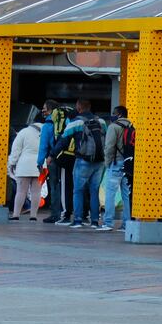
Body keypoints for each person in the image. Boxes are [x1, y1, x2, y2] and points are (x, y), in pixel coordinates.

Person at [52, 98, 106, 229]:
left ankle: (77, 220)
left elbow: (63, 141)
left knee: (78, 190)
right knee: (94, 190)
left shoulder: (76, 122)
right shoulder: (101, 121)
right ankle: (94, 221)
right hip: (99, 161)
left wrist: (52, 155)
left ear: (78, 107)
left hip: (83, 160)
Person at [101, 106, 134, 232]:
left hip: (115, 163)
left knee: (110, 193)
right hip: (128, 164)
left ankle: (108, 222)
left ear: (119, 114)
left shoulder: (113, 127)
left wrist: (107, 163)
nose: (112, 115)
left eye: (114, 113)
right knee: (126, 195)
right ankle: (126, 223)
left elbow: (109, 147)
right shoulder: (131, 126)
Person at [7, 116, 43, 221]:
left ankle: (16, 214)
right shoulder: (46, 131)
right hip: (40, 164)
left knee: (21, 191)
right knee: (36, 191)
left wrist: (12, 163)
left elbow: (16, 149)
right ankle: (33, 216)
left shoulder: (24, 132)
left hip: (25, 164)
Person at [35, 99, 64, 224]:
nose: (43, 110)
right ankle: (67, 212)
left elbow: (43, 146)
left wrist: (40, 162)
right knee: (65, 186)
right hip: (66, 158)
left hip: (53, 159)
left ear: (51, 110)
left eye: (44, 108)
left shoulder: (47, 125)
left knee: (54, 186)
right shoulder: (64, 123)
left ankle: (55, 214)